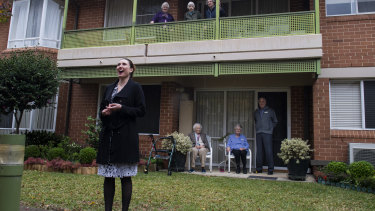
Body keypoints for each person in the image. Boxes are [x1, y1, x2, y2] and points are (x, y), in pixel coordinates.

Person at [96, 58, 146, 211]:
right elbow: (101, 110)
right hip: (109, 137)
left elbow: (141, 111)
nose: (120, 66)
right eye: (118, 64)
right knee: (108, 177)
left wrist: (122, 107)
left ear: (131, 69)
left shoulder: (135, 88)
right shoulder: (109, 88)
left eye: (124, 64)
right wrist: (104, 113)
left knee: (125, 177)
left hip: (126, 137)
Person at [254, 96, 278, 175]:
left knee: (268, 151)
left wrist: (270, 128)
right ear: (258, 102)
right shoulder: (256, 112)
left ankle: (270, 170)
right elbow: (256, 121)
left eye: (263, 101)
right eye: (260, 101)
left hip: (267, 133)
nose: (261, 103)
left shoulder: (270, 111)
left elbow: (275, 121)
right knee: (259, 152)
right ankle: (259, 169)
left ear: (265, 102)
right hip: (258, 133)